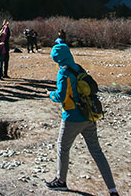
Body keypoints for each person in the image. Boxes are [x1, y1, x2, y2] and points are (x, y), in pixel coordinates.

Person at [46, 42, 119, 195]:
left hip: (71, 117)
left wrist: (50, 94)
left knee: (63, 147)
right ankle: (112, 189)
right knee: (97, 152)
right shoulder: (78, 67)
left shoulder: (63, 73)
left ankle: (61, 181)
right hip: (88, 115)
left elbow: (60, 96)